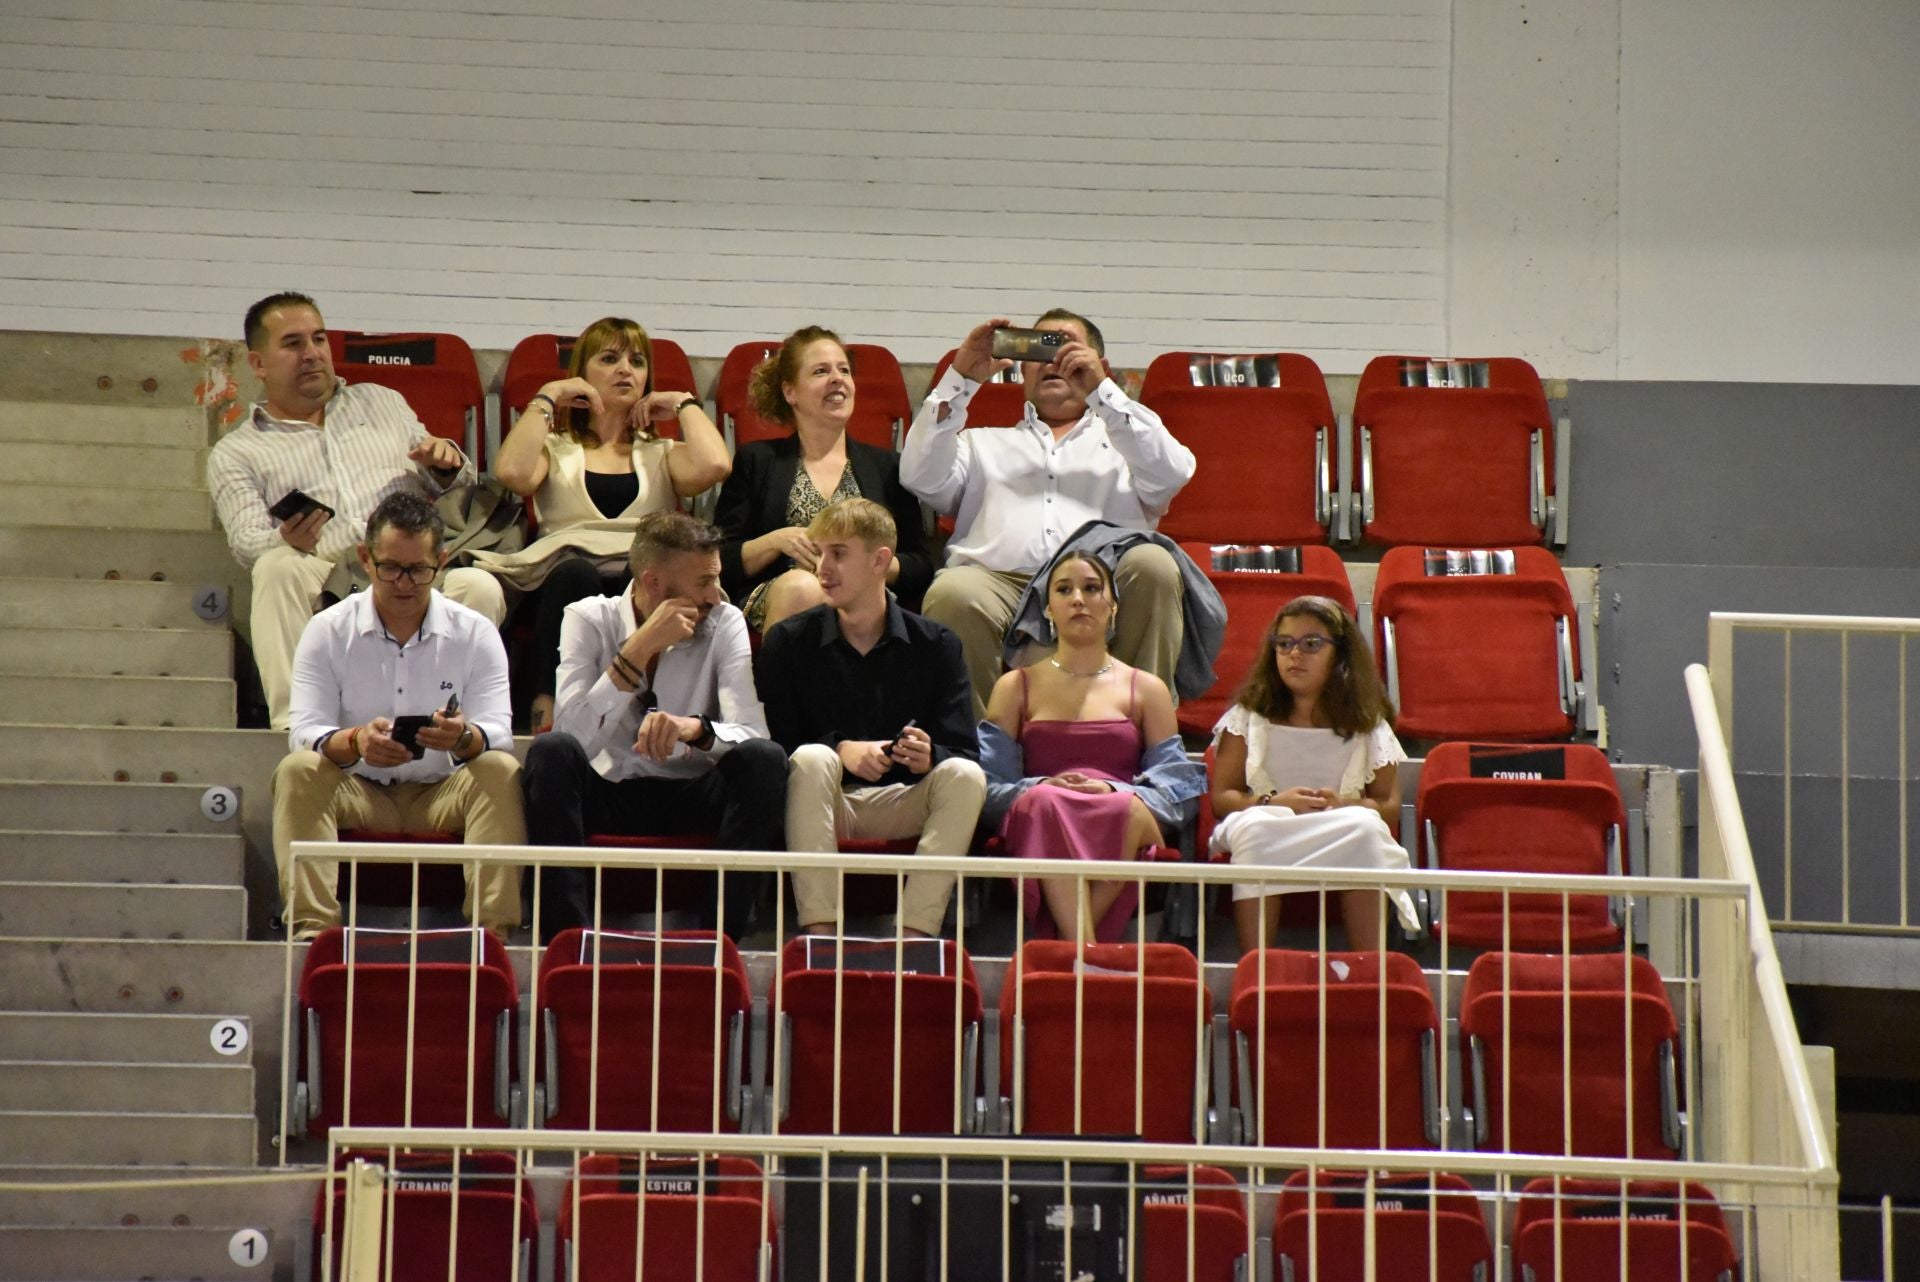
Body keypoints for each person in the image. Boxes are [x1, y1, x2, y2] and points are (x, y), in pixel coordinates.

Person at [207, 292, 507, 730]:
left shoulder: (382, 401)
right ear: (258, 363)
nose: (312, 353)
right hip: (327, 577)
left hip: (408, 565)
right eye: (293, 343)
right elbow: (246, 543)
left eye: (319, 339)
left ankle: (460, 728)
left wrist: (444, 466)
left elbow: (457, 492)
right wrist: (284, 538)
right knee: (275, 568)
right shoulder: (237, 451)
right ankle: (300, 729)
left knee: (480, 586)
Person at [899, 309, 1196, 719]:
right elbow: (919, 476)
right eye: (1041, 350)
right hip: (999, 583)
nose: (1054, 361)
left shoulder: (1129, 444)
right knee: (953, 591)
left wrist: (1102, 392)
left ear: (1100, 366)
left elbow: (1174, 472)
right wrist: (961, 378)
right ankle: (976, 749)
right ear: (1022, 369)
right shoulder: (980, 443)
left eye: (1068, 348)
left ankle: (1142, 732)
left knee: (1154, 564)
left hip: (1103, 582)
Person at [520, 512, 785, 943]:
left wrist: (696, 729)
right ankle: (568, 943)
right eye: (704, 582)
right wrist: (638, 649)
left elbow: (754, 733)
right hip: (611, 787)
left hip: (691, 789)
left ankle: (719, 941)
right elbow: (573, 738)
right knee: (550, 754)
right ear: (654, 583)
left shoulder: (725, 620)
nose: (715, 594)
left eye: (716, 578)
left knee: (765, 761)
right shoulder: (587, 618)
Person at [271, 491, 523, 940]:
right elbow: (306, 731)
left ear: (441, 563)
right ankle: (313, 936)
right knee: (298, 769)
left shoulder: (475, 632)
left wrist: (462, 737)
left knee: (500, 769)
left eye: (418, 570)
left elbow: (498, 732)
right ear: (365, 559)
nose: (404, 583)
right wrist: (355, 741)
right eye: (390, 568)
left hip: (443, 794)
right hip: (359, 790)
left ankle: (492, 938)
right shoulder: (327, 630)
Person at [477, 317, 731, 730]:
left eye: (637, 361)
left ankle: (643, 706)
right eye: (610, 359)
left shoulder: (661, 451)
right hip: (564, 579)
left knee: (644, 576)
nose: (625, 370)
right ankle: (549, 705)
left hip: (639, 577)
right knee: (574, 574)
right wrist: (549, 395)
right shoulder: (555, 448)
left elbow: (716, 465)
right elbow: (512, 472)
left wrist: (683, 403)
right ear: (582, 374)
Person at [756, 498, 985, 938]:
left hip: (905, 800)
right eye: (819, 552)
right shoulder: (788, 642)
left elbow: (964, 750)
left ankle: (915, 935)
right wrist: (840, 749)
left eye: (838, 553)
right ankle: (819, 935)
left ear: (880, 560)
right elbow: (772, 748)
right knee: (812, 759)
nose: (822, 568)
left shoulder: (937, 644)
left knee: (964, 775)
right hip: (822, 801)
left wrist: (930, 756)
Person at [979, 551, 1205, 942]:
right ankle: (1085, 952)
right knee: (1047, 802)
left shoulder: (1146, 688)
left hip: (1119, 816)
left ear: (1113, 605)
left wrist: (1112, 789)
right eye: (1064, 590)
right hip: (1041, 818)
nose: (1078, 599)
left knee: (1126, 808)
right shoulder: (1014, 686)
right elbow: (988, 786)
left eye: (1091, 588)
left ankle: (1071, 949)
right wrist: (1041, 785)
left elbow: (1179, 790)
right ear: (1048, 609)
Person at [1207, 596, 1421, 953]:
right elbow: (1222, 799)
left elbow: (1388, 805)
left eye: (1310, 644)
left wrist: (1344, 805)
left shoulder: (1368, 722)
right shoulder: (1247, 717)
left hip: (1339, 823)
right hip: (1266, 820)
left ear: (1340, 653)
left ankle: (1369, 968)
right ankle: (1256, 966)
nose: (1294, 654)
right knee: (1256, 828)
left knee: (1367, 828)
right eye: (1284, 643)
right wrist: (1274, 802)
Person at [715, 326, 934, 632]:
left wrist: (872, 563)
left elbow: (921, 564)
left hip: (865, 596)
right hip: (785, 592)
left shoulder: (888, 466)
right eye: (821, 371)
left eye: (844, 370)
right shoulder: (757, 460)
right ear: (790, 392)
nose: (837, 378)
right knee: (802, 588)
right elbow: (719, 559)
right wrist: (775, 541)